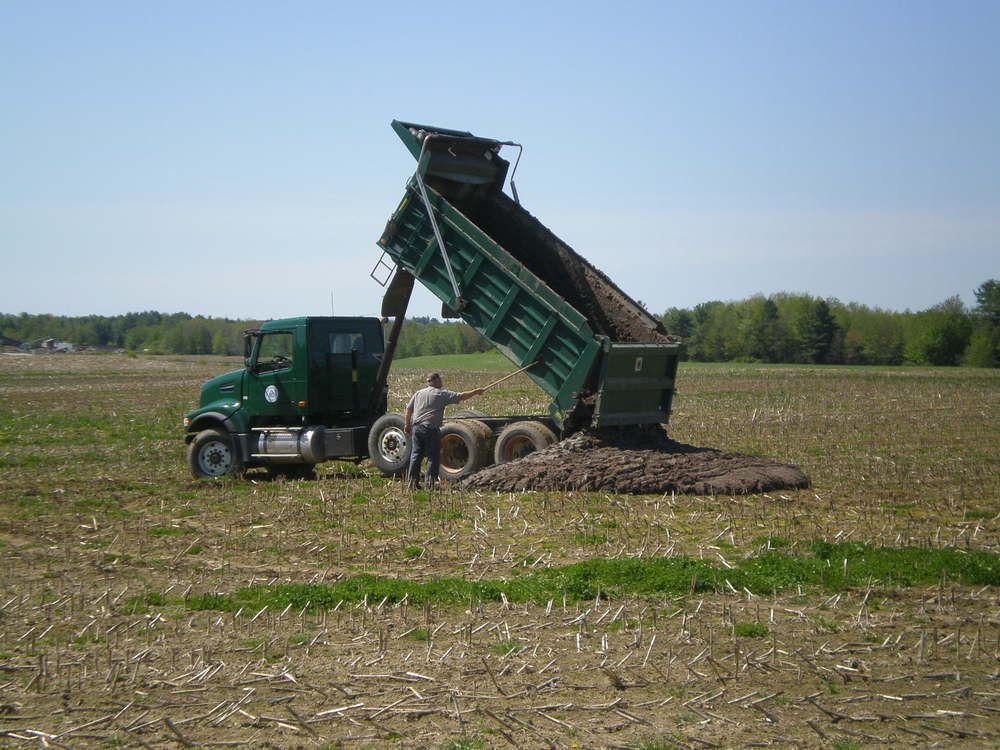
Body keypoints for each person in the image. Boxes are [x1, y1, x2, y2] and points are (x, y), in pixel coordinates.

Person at [404, 372, 484, 488]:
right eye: (440, 379)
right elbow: (461, 396)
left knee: (416, 455)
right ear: (435, 381)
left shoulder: (419, 393)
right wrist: (476, 392)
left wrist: (407, 424)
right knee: (433, 456)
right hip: (430, 429)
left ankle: (412, 483)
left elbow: (408, 409)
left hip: (417, 428)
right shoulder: (441, 394)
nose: (441, 382)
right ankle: (429, 484)